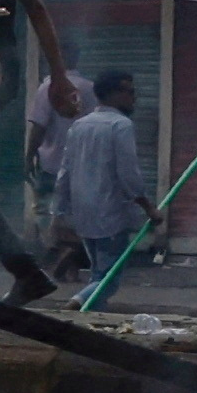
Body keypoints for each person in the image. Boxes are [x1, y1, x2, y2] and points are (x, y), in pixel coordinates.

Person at [42, 67, 150, 289]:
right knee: (108, 279)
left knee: (99, 273)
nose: (134, 97)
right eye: (129, 92)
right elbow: (129, 176)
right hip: (110, 217)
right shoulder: (121, 126)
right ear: (112, 94)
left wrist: (59, 211)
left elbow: (65, 173)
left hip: (84, 217)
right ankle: (78, 304)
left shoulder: (79, 126)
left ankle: (89, 313)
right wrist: (149, 208)